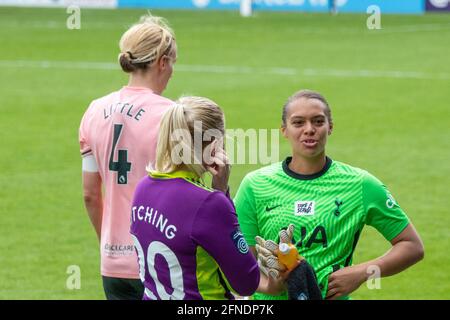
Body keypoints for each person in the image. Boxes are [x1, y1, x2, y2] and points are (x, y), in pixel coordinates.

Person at [234, 89, 424, 300]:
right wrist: (270, 284)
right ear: (284, 130)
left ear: (330, 127)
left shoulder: (361, 185)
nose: (309, 130)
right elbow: (239, 264)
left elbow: (412, 246)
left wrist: (362, 272)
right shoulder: (255, 185)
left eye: (317, 121)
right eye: (298, 123)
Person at [130, 96, 282, 300]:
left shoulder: (143, 188)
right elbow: (245, 283)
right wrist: (221, 192)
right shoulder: (209, 204)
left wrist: (218, 190)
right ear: (215, 146)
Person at [78, 14, 177, 300]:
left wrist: (109, 245)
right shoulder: (172, 115)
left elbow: (90, 195)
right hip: (162, 261)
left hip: (112, 264)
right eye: (172, 63)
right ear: (162, 62)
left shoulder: (94, 110)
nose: (172, 72)